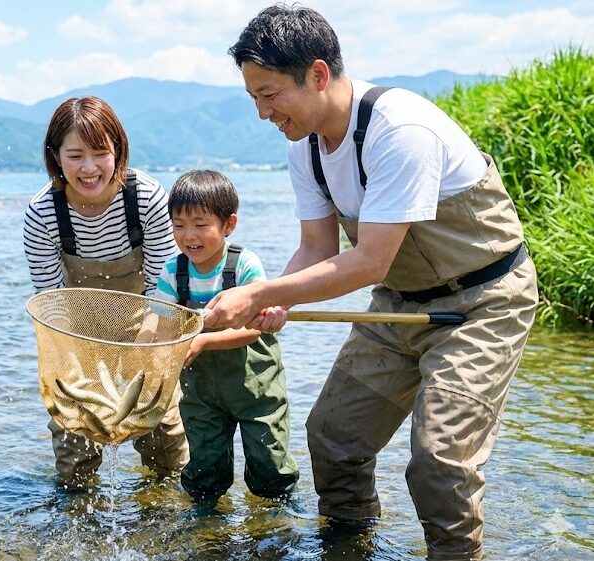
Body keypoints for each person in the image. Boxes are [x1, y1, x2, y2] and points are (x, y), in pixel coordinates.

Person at [209, 5, 538, 560]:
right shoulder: (304, 147)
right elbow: (318, 248)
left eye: (270, 94)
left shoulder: (399, 129)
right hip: (399, 306)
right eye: (254, 98)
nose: (263, 112)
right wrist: (275, 305)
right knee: (334, 438)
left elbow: (368, 262)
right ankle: (350, 548)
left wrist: (260, 292)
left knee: (439, 460)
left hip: (485, 301)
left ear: (317, 75)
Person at [23, 96, 189, 488]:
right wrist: (76, 369)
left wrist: (144, 354)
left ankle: (171, 513)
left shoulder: (146, 197)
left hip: (146, 327)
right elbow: (51, 301)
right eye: (75, 155)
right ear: (55, 156)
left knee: (163, 435)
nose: (89, 168)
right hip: (75, 336)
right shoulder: (42, 212)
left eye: (101, 153)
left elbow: (163, 287)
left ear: (119, 152)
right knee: (74, 446)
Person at [149, 170, 298, 503]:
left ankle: (274, 523)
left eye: (201, 225)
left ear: (228, 224)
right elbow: (159, 322)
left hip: (255, 387)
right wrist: (152, 352)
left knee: (268, 460)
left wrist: (201, 341)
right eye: (179, 225)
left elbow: (250, 330)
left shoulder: (243, 265)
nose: (189, 236)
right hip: (201, 393)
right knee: (205, 466)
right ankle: (206, 529)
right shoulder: (173, 272)